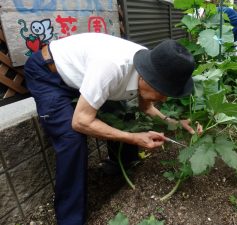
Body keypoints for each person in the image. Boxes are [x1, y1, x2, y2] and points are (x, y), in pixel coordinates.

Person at [24, 33, 198, 225]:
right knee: (71, 139)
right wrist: (133, 138)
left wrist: (174, 122)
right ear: (148, 78)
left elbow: (146, 107)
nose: (164, 99)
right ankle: (69, 219)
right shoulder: (111, 67)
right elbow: (80, 121)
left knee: (123, 113)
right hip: (49, 73)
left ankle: (122, 167)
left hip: (84, 75)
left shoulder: (154, 65)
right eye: (163, 91)